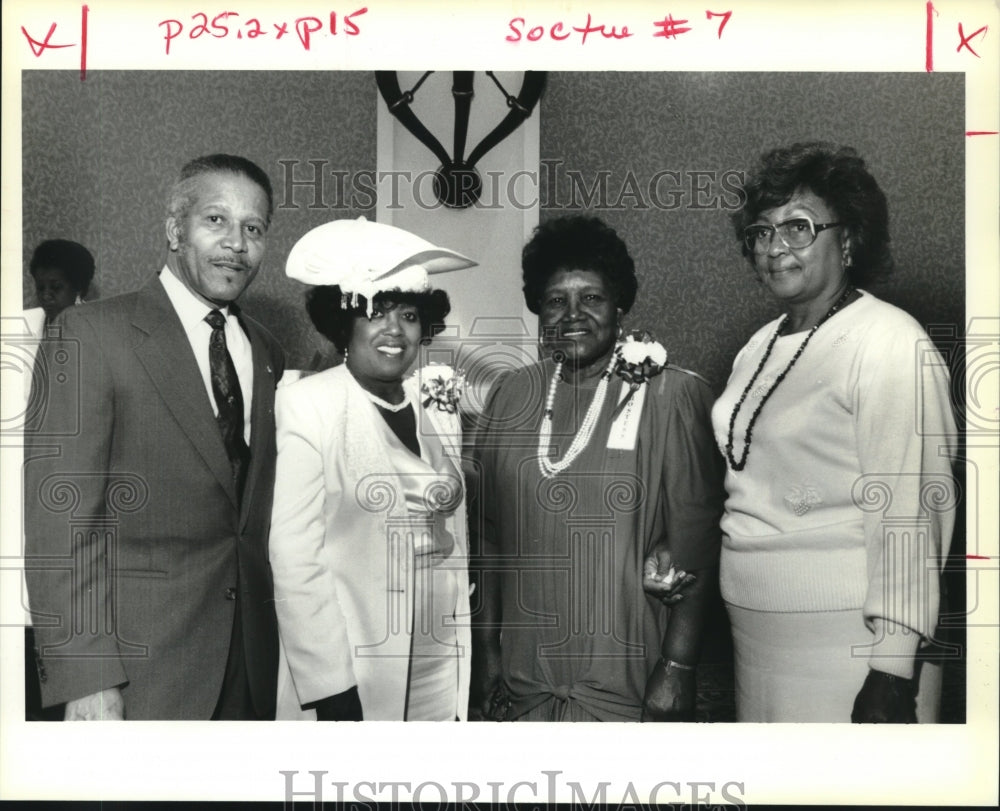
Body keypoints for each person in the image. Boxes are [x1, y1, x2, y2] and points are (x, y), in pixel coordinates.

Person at [24, 154, 285, 720]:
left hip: (252, 668)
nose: (237, 243)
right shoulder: (88, 333)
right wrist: (86, 677)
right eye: (216, 220)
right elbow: (60, 522)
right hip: (140, 675)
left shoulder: (264, 349)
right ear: (174, 228)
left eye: (254, 228)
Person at [712, 142, 958, 723]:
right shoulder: (759, 346)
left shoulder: (888, 340)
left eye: (798, 227)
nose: (776, 248)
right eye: (762, 231)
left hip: (849, 649)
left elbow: (910, 507)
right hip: (756, 639)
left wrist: (892, 669)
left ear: (848, 240)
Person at [471, 216, 724, 722]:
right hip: (525, 674)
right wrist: (487, 650)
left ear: (620, 305)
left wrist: (678, 667)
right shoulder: (511, 394)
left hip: (628, 672)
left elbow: (698, 547)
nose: (572, 314)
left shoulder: (670, 394)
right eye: (555, 300)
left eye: (592, 298)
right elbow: (490, 540)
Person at [270, 217, 476, 721]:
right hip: (358, 667)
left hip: (441, 657)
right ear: (345, 323)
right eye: (376, 311)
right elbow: (294, 559)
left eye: (408, 315)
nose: (393, 330)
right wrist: (331, 689)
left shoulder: (435, 405)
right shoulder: (308, 404)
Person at [21, 239, 96, 721]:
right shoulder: (20, 331)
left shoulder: (94, 334)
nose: (47, 296)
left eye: (57, 287)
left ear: (80, 289)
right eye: (40, 286)